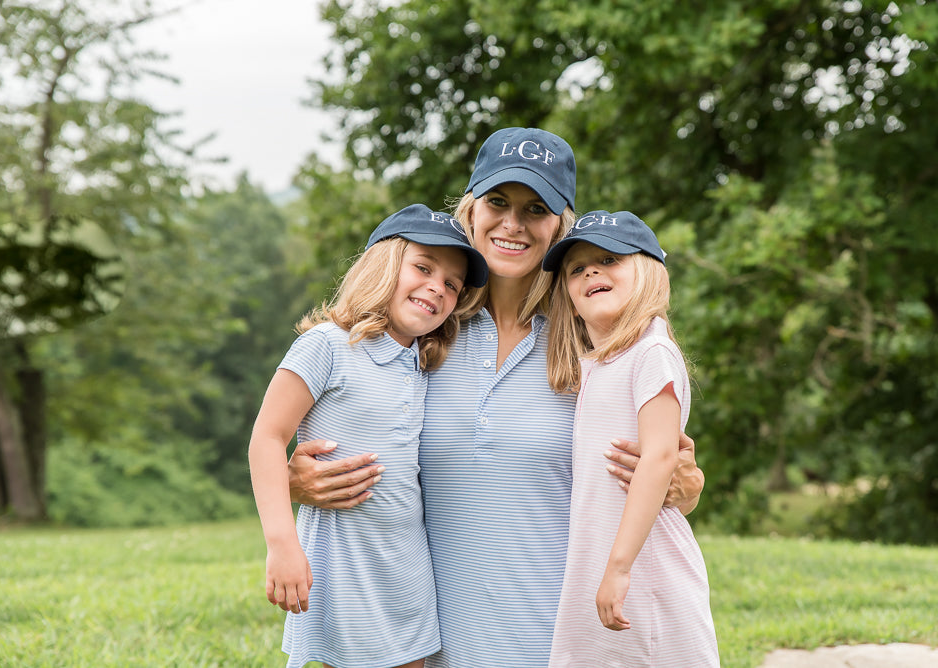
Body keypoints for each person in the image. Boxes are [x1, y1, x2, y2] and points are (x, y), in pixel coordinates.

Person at [286, 128, 706, 667]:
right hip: (435, 637)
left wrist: (688, 487)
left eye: (535, 208)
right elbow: (328, 425)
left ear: (560, 227)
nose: (513, 223)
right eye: (498, 203)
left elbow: (664, 467)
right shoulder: (421, 329)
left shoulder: (595, 340)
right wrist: (293, 478)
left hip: (558, 634)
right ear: (470, 211)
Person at [248, 203, 489, 668]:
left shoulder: (425, 363)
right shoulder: (329, 345)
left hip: (406, 566)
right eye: (423, 267)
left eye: (452, 285)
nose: (436, 288)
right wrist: (281, 545)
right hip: (345, 563)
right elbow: (267, 437)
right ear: (384, 264)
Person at [542, 210, 719, 667]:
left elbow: (661, 457)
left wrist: (619, 569)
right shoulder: (598, 364)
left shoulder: (652, 351)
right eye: (576, 269)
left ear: (647, 274)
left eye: (608, 259)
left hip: (645, 564)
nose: (591, 272)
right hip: (600, 560)